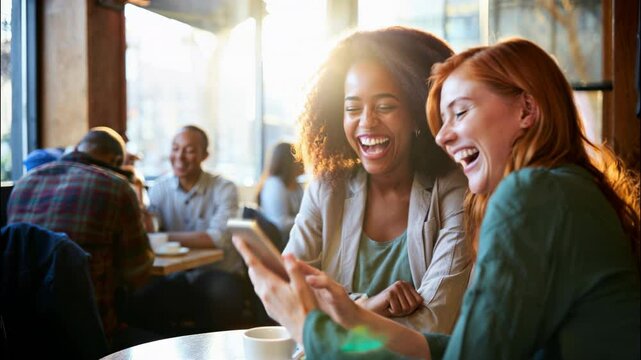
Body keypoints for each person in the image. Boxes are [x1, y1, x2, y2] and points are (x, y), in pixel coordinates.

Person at [236, 37, 641, 359]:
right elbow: (471, 349)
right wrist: (354, 315)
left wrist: (308, 326)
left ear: (526, 110)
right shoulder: (566, 187)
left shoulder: (531, 194)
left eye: (460, 113)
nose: (443, 136)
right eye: (442, 120)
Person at [283, 26, 472, 333]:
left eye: (385, 107)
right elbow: (287, 293)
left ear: (416, 114)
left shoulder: (454, 189)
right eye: (353, 108)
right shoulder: (327, 186)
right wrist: (370, 306)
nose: (366, 122)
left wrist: (342, 313)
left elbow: (435, 320)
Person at [7, 127, 155, 341]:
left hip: (21, 334)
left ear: (77, 148)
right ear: (116, 161)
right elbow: (138, 272)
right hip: (89, 334)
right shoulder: (116, 188)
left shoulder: (24, 184)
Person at [127, 125, 244, 333]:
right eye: (175, 148)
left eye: (189, 150)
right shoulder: (159, 189)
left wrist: (162, 237)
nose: (179, 156)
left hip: (219, 272)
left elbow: (217, 239)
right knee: (144, 297)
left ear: (204, 155)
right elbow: (148, 232)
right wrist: (142, 214)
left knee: (217, 294)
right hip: (177, 275)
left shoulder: (224, 188)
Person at [256, 142, 304, 243]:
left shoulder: (297, 185)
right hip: (280, 242)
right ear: (289, 162)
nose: (303, 162)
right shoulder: (274, 185)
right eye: (299, 158)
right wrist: (308, 219)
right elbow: (279, 223)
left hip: (294, 238)